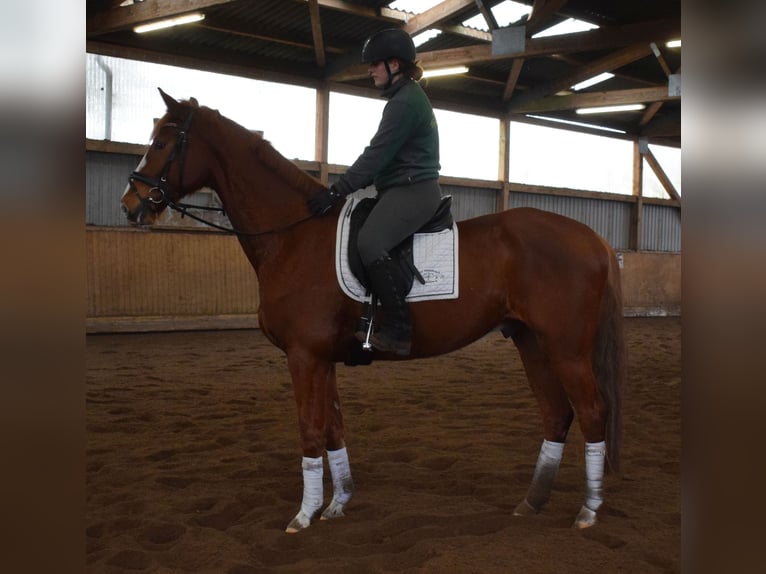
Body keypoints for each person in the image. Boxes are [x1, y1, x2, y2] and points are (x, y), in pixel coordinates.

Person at [307, 28, 443, 356]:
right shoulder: (404, 99)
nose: (369, 70)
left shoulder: (406, 102)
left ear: (394, 65)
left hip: (414, 191)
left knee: (370, 241)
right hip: (399, 188)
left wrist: (337, 191)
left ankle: (399, 328)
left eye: (374, 65)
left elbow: (376, 154)